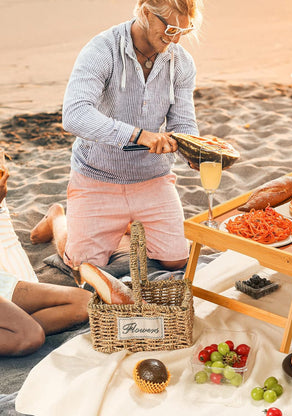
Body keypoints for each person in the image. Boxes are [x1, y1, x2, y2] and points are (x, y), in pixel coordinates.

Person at [30, 0, 203, 272]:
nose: (177, 39)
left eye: (185, 30)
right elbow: (74, 114)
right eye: (170, 29)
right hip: (97, 176)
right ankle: (58, 219)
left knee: (176, 260)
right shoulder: (102, 49)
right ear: (146, 13)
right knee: (81, 265)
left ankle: (119, 228)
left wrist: (194, 152)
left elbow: (182, 122)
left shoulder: (181, 62)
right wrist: (139, 135)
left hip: (152, 178)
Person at [0, 168, 91, 357]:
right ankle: (16, 329)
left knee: (85, 303)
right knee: (29, 336)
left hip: (6, 277)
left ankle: (13, 328)